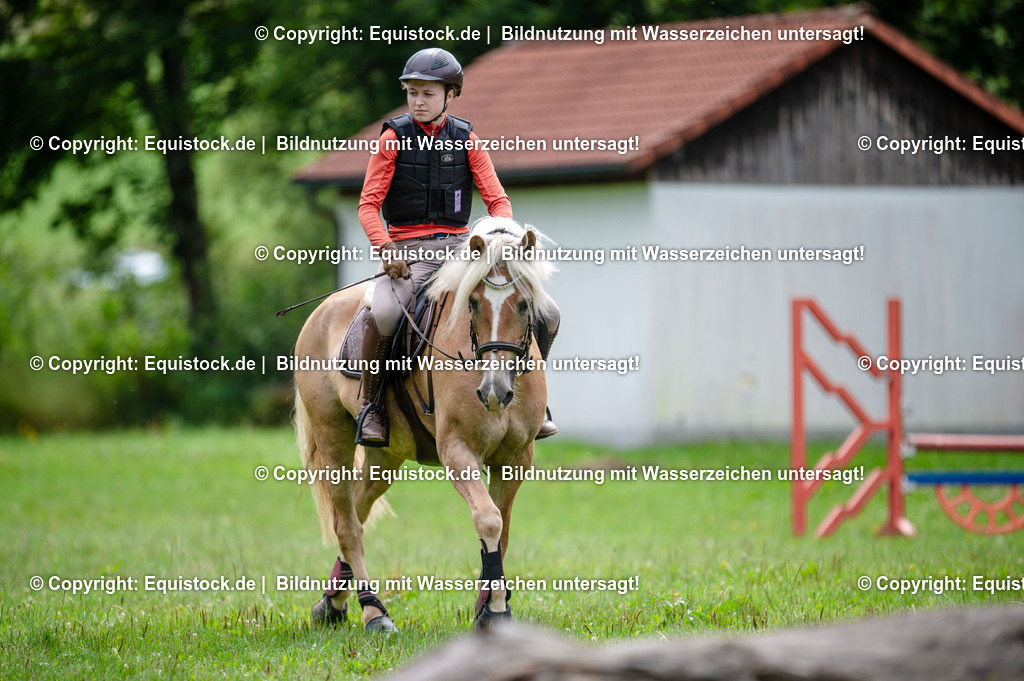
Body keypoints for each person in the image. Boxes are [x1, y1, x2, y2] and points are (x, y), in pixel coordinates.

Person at [355, 47, 559, 446]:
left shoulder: (466, 139)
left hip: (462, 249)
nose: (417, 100)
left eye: (427, 93)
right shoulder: (393, 138)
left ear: (450, 95)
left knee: (548, 313)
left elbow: (498, 203)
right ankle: (373, 406)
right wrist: (386, 247)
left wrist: (504, 240)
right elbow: (368, 205)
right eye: (412, 92)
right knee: (383, 312)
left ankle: (533, 400)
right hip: (408, 253)